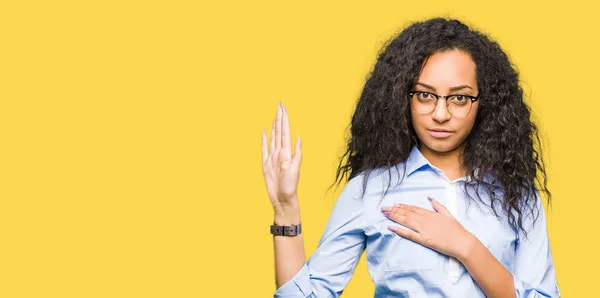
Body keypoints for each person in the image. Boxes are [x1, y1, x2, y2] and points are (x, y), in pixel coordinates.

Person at [260, 17, 560, 297]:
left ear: (484, 102)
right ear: (403, 97)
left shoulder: (517, 195)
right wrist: (286, 210)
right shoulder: (371, 189)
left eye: (459, 98)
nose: (440, 114)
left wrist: (466, 247)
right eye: (425, 95)